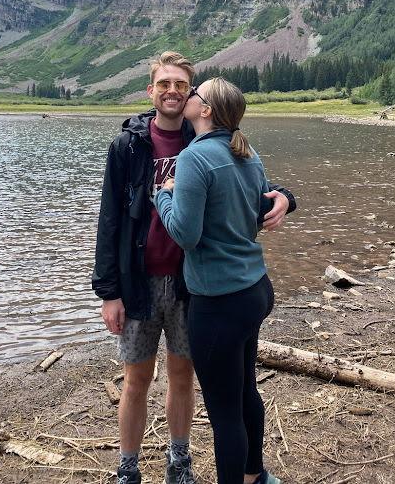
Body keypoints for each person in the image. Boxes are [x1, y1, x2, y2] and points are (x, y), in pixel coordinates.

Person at [93, 53, 296, 484]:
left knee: (184, 376)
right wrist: (108, 291)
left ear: (193, 97)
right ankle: (128, 470)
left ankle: (179, 463)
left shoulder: (200, 143)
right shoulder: (128, 146)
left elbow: (246, 179)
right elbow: (109, 219)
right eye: (163, 83)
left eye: (181, 85)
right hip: (139, 282)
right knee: (136, 379)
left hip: (193, 285)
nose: (172, 91)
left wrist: (285, 196)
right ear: (151, 90)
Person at [154, 77, 283, 484]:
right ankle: (254, 475)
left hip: (218, 301)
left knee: (224, 412)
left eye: (195, 93)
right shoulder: (248, 152)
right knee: (246, 392)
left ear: (205, 110)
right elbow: (259, 214)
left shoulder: (195, 157)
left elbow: (186, 235)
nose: (187, 97)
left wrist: (163, 194)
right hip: (255, 291)